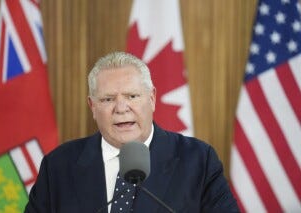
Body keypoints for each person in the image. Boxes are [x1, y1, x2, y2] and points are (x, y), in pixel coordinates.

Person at [24, 51, 239, 213]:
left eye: (132, 96)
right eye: (108, 99)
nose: (121, 108)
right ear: (92, 107)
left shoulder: (198, 161)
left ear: (152, 98)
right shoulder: (58, 166)